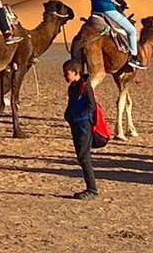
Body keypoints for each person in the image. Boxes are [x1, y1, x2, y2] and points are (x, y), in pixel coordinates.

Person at [88, 0, 144, 70]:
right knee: (132, 31)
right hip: (108, 11)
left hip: (95, 11)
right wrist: (124, 4)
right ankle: (134, 58)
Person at [63, 59, 99, 200]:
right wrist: (68, 115)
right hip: (75, 125)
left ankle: (92, 190)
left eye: (67, 74)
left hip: (84, 126)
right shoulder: (72, 87)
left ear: (76, 72)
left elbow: (92, 106)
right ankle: (90, 188)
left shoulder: (85, 86)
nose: (65, 77)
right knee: (81, 156)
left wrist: (79, 116)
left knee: (84, 157)